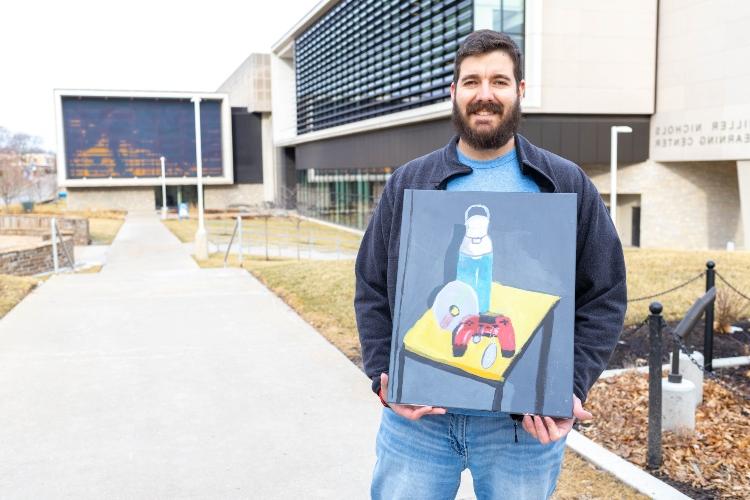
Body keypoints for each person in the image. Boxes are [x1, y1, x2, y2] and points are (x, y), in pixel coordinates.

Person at [354, 30, 627, 499]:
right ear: (454, 92)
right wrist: (385, 376)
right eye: (471, 82)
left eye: (499, 81)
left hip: (520, 431)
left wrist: (571, 386)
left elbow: (604, 295)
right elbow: (372, 286)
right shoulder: (410, 183)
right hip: (419, 424)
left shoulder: (564, 184)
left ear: (520, 91)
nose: (484, 95)